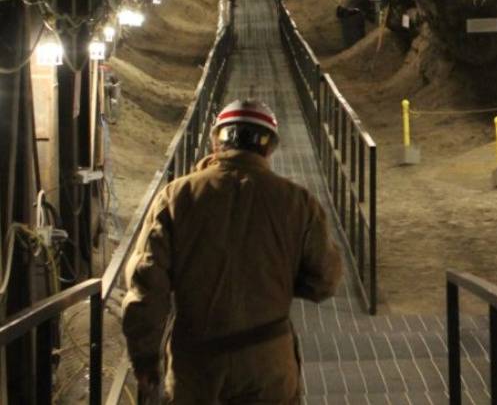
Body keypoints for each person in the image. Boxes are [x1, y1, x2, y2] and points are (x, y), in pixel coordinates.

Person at [122, 99, 342, 404]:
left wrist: (145, 360)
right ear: (269, 148)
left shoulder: (176, 197)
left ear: (216, 141)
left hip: (195, 365)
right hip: (269, 362)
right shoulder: (298, 202)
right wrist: (283, 277)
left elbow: (147, 286)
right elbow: (325, 281)